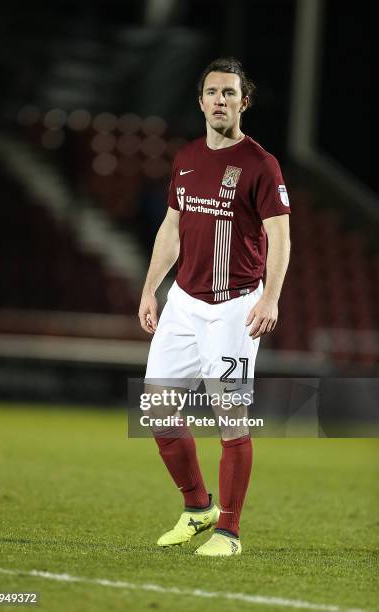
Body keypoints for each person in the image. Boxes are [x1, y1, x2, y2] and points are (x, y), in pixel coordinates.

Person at [138, 57, 291, 556]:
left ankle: (229, 530)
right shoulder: (185, 157)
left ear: (243, 102)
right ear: (201, 101)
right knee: (159, 410)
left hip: (234, 309)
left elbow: (279, 236)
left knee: (231, 420)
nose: (219, 100)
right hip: (183, 303)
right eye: (212, 93)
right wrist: (150, 289)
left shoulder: (260, 164)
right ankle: (197, 507)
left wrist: (270, 295)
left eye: (229, 93)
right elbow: (171, 228)